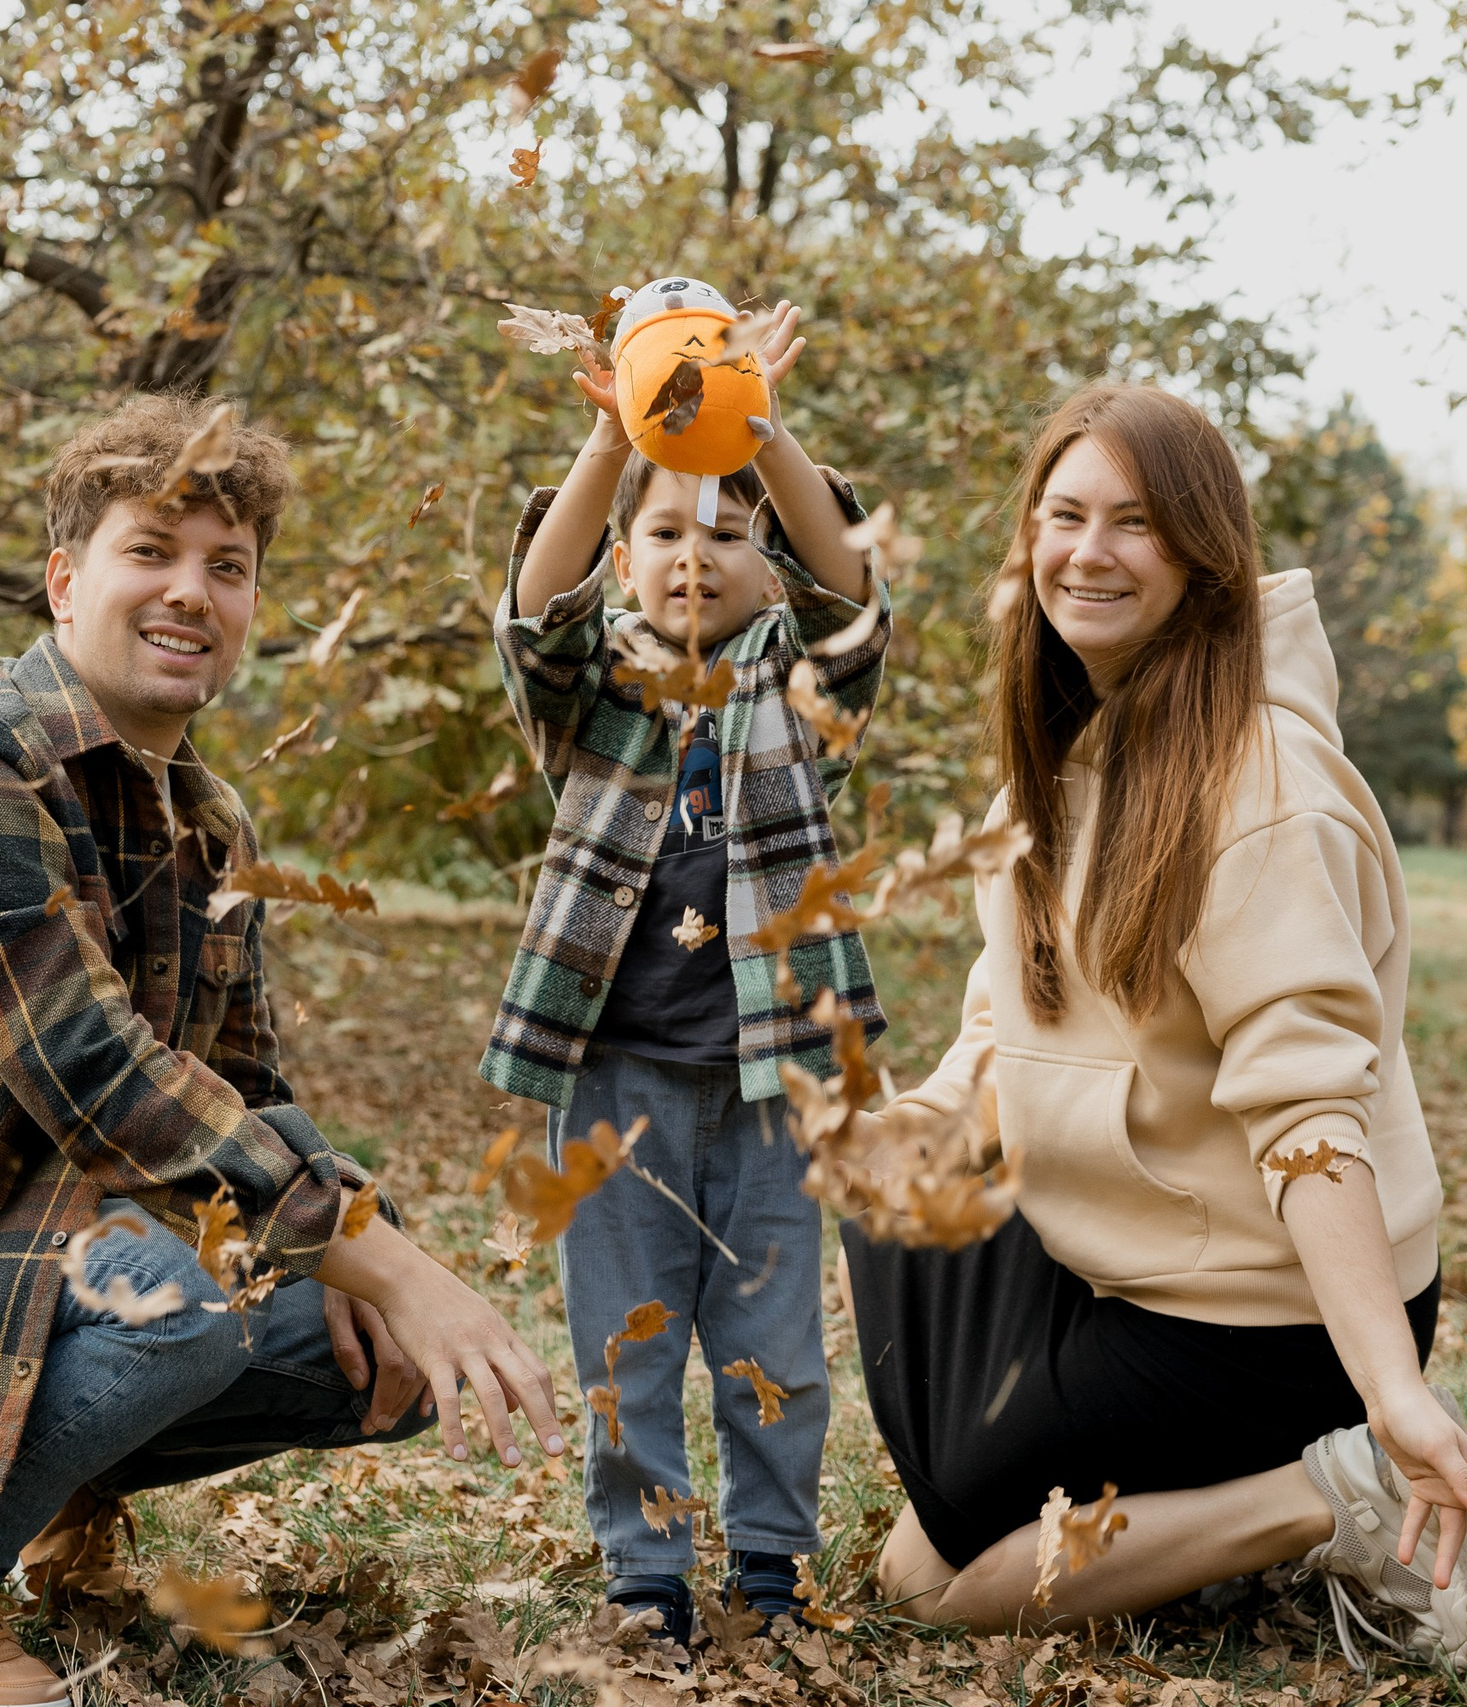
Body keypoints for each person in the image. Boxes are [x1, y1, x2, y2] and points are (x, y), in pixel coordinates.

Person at [0, 394, 564, 1707]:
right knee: (186, 1302)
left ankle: (44, 1495)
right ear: (63, 578)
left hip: (20, 1276)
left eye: (228, 564)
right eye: (151, 549)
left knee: (362, 1348)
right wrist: (389, 1257)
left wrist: (377, 1252)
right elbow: (94, 1073)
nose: (189, 590)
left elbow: (250, 1089)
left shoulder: (209, 818)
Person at [841, 381, 1467, 1666]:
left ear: (1204, 556)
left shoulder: (1258, 785)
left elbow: (1305, 1104)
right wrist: (927, 1118)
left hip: (1260, 1319)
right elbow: (1016, 999)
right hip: (1108, 1258)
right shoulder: (1066, 750)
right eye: (1064, 515)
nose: (1088, 552)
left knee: (933, 1581)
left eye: (1136, 523)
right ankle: (1226, 1513)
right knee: (928, 1448)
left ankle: (1331, 1493)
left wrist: (1390, 1392)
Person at [479, 279, 888, 1645]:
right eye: (663, 529)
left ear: (765, 566)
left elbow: (848, 588)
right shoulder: (594, 700)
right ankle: (644, 1572)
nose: (696, 550)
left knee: (775, 1349)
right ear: (624, 552)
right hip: (616, 1081)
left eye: (726, 529)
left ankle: (772, 1564)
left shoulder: (797, 689)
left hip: (770, 1086)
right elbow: (535, 612)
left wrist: (753, 429)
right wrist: (614, 439)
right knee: (627, 1339)